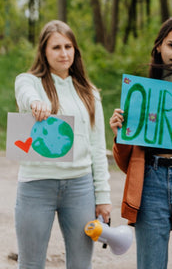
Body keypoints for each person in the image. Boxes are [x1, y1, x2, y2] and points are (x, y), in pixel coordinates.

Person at [14, 20, 112, 268]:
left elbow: (98, 148)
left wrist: (103, 197)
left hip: (80, 188)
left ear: (75, 50)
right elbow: (24, 92)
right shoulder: (29, 82)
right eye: (56, 47)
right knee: (30, 263)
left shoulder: (89, 92)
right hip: (36, 186)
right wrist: (36, 102)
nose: (64, 53)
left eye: (68, 46)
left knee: (81, 264)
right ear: (44, 52)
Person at [109, 15, 172, 269]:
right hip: (150, 180)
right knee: (150, 264)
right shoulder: (140, 93)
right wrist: (120, 133)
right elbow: (124, 163)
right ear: (158, 46)